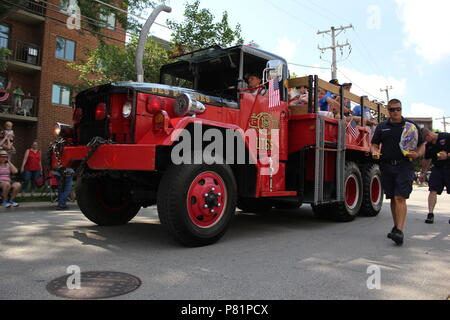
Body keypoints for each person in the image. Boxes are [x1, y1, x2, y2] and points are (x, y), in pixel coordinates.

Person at [371, 99, 425, 245]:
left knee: (400, 197)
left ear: (401, 109)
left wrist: (418, 154)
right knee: (393, 198)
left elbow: (421, 145)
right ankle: (396, 227)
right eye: (391, 110)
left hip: (404, 166)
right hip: (386, 166)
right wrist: (375, 152)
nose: (395, 112)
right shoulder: (382, 127)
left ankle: (400, 231)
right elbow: (374, 145)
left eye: (397, 109)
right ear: (387, 111)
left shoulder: (410, 126)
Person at [419, 127, 450, 224]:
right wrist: (423, 173)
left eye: (425, 139)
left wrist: (447, 155)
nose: (425, 142)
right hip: (437, 168)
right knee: (432, 190)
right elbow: (426, 160)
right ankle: (430, 214)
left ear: (429, 135)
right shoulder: (428, 145)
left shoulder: (446, 136)